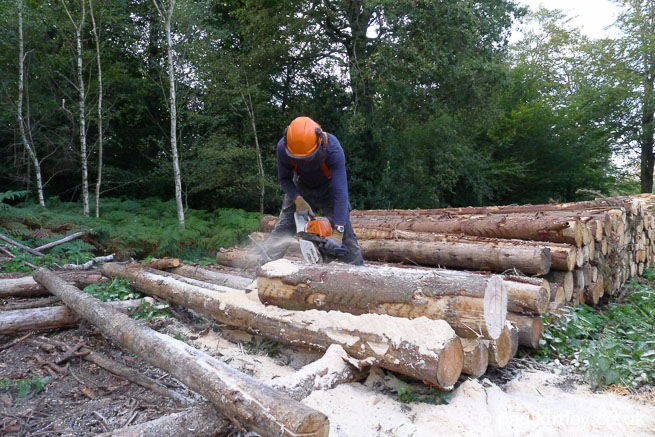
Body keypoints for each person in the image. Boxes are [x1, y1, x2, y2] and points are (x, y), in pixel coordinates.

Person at [259, 116, 364, 266]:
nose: (303, 161)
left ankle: (361, 278)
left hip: (329, 188)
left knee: (347, 237)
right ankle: (262, 271)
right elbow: (284, 179)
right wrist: (297, 199)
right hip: (300, 186)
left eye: (307, 157)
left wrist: (338, 232)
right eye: (298, 158)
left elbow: (340, 192)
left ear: (319, 141)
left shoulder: (332, 148)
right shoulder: (283, 147)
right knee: (283, 230)